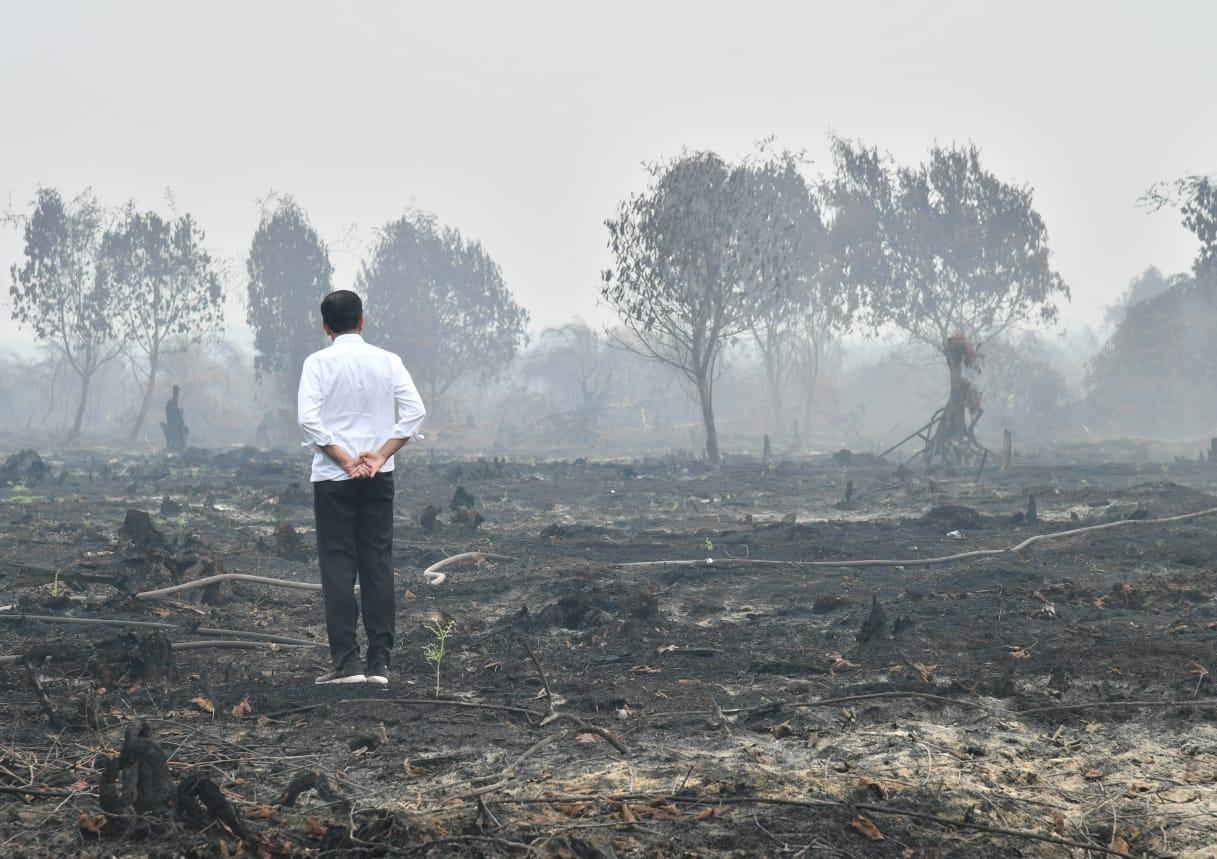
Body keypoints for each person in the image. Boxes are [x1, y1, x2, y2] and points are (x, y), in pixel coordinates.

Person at [298, 290, 426, 685]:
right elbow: (415, 413)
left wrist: (344, 459)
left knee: (338, 564)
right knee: (377, 563)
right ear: (362, 321)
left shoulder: (317, 363)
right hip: (378, 477)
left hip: (334, 480)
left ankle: (346, 664)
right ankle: (380, 665)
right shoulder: (388, 362)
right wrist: (380, 456)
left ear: (326, 327)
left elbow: (309, 420)